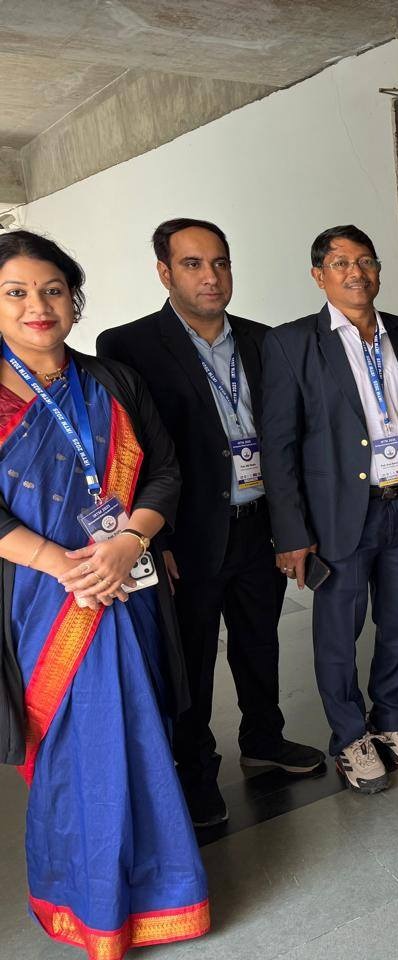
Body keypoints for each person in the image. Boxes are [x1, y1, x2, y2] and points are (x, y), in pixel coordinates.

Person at [0, 231, 209, 954]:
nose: (38, 305)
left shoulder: (112, 382)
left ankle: (161, 892)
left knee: (141, 732)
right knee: (74, 746)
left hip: (127, 586)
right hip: (40, 599)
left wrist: (128, 543)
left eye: (53, 290)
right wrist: (61, 563)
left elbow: (165, 472)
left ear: (74, 299)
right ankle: (88, 903)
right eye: (17, 292)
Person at [97, 218, 324, 828]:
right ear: (164, 272)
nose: (211, 276)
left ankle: (264, 740)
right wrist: (158, 539)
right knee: (191, 659)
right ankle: (195, 771)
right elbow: (130, 453)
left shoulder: (262, 340)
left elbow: (286, 438)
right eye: (193, 264)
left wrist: (292, 526)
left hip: (258, 523)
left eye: (220, 262)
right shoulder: (129, 346)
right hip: (187, 534)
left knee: (259, 641)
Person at [260, 225, 398, 795]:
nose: (356, 272)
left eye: (365, 261)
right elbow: (278, 447)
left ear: (378, 270)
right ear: (319, 276)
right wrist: (292, 532)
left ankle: (393, 718)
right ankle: (350, 736)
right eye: (340, 263)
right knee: (339, 633)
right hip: (338, 516)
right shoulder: (291, 344)